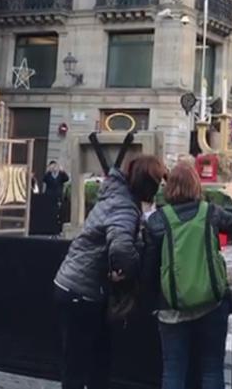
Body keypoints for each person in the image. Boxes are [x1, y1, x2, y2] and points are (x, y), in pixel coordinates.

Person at [53, 154, 166, 389]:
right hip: (82, 291)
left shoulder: (116, 195)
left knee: (90, 359)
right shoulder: (124, 208)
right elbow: (122, 249)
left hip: (74, 284)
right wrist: (128, 271)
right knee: (83, 364)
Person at [144, 163, 232, 389]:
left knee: (173, 370)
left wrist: (153, 302)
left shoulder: (157, 220)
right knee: (212, 368)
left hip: (171, 308)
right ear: (196, 185)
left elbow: (149, 269)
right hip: (212, 303)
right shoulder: (210, 213)